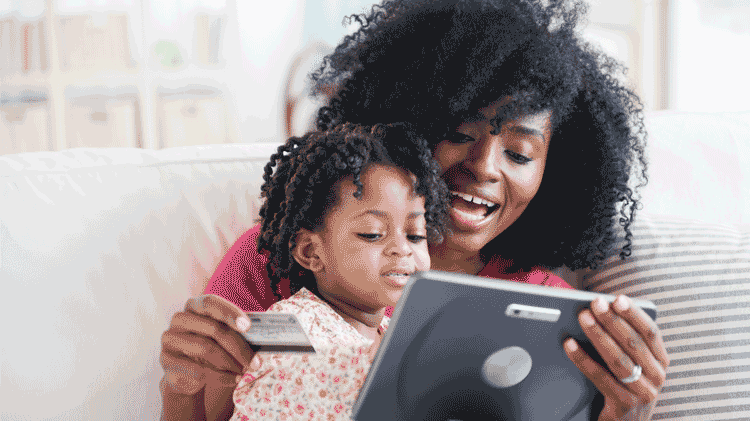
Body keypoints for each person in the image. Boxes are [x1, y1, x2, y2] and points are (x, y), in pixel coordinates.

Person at [159, 1, 670, 420]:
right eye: (458, 134)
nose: (485, 167)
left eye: (519, 153)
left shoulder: (547, 309)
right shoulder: (276, 255)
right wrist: (183, 388)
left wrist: (621, 416)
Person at [228, 122, 444, 419]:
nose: (403, 249)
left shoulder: (398, 329)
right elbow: (276, 388)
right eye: (372, 233)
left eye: (416, 235)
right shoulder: (284, 322)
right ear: (311, 252)